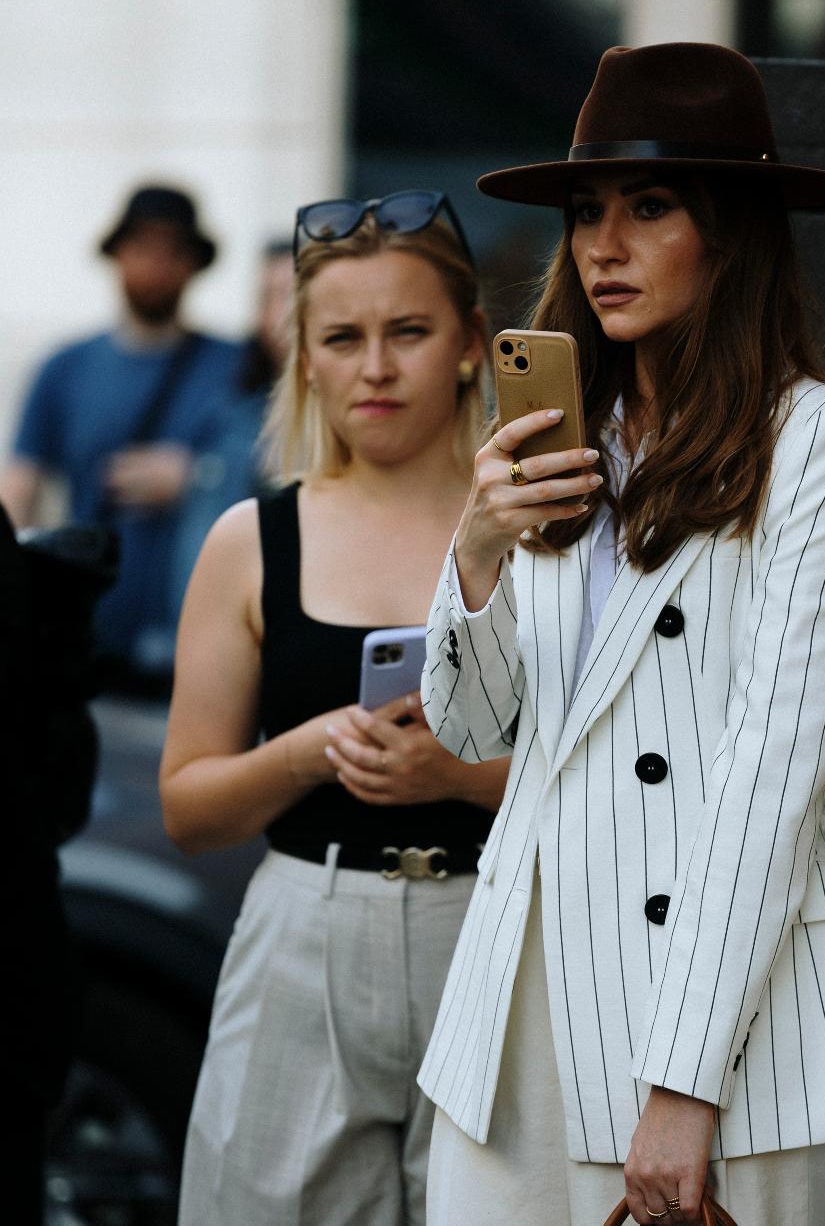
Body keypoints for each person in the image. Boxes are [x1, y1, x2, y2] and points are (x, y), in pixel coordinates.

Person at [418, 43, 825, 1226]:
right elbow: (475, 731)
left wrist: (682, 1084)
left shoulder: (823, 439)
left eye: (651, 206)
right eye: (587, 212)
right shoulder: (561, 442)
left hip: (713, 1027)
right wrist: (479, 546)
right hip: (517, 1011)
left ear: (728, 230)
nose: (603, 245)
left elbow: (773, 769)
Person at [160, 190, 509, 1226]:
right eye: (342, 338)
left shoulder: (543, 532)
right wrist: (309, 752)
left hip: (498, 929)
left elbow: (624, 781)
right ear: (303, 357)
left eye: (408, 331)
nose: (377, 366)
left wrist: (457, 777)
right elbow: (190, 808)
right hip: (304, 929)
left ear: (467, 345)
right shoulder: (249, 539)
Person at [0, 184, 241, 693]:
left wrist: (200, 480)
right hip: (84, 636)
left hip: (203, 641)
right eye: (142, 247)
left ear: (194, 263)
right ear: (117, 254)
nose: (156, 264)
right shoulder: (65, 368)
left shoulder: (237, 367)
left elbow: (278, 477)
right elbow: (20, 488)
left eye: (173, 249)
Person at [171, 238, 295, 606]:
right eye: (272, 296)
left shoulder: (361, 415)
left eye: (297, 294)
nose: (286, 313)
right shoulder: (230, 406)